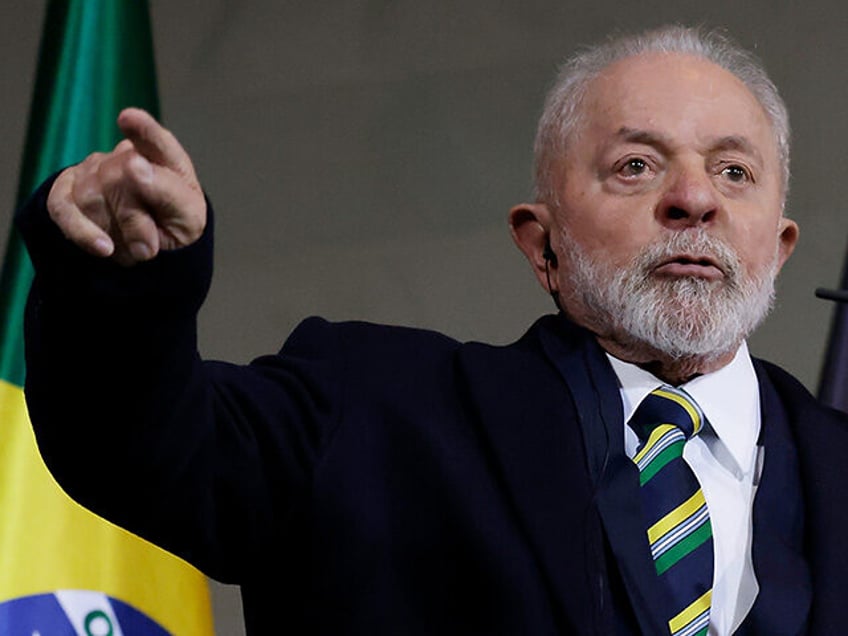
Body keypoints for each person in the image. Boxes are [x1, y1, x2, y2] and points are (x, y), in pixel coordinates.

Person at [17, 24, 848, 635]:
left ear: (776, 249)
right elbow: (137, 443)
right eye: (636, 165)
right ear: (542, 242)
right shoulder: (367, 412)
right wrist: (125, 283)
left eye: (733, 171)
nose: (693, 199)